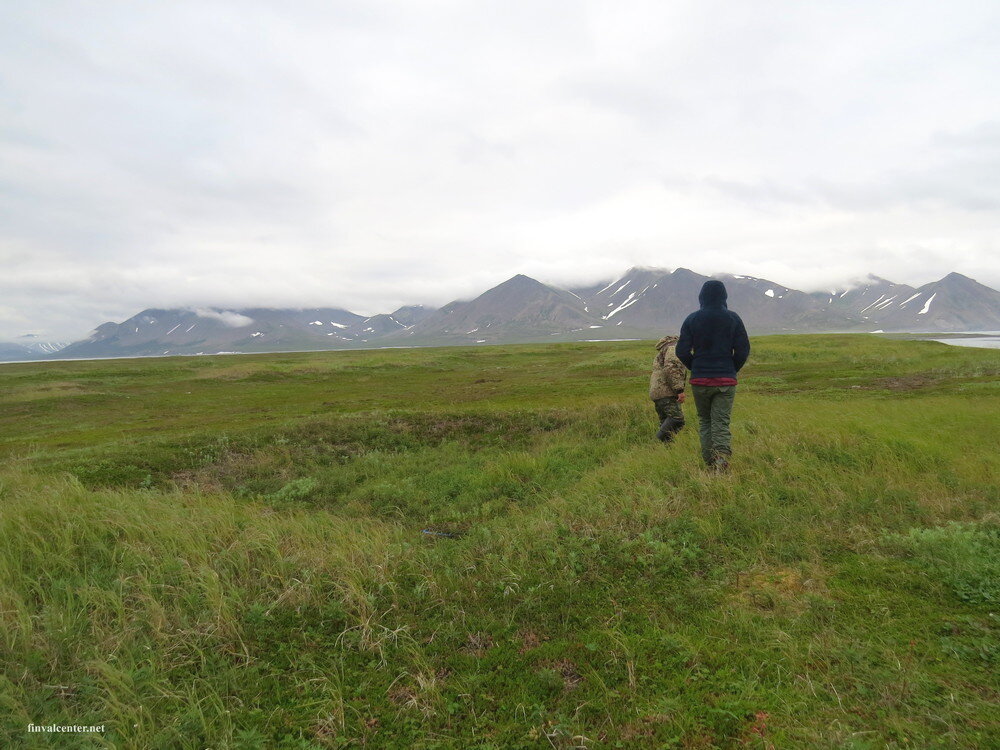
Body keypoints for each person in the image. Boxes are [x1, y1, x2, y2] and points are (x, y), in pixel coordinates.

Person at [675, 280, 751, 470]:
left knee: (705, 421)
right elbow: (743, 350)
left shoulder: (692, 319)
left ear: (701, 297)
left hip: (699, 380)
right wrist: (731, 369)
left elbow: (681, 351)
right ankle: (721, 462)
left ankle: (709, 464)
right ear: (724, 296)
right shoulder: (733, 318)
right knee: (721, 422)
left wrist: (696, 367)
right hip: (725, 380)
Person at [649, 334, 687, 442]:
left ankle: (665, 450)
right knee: (677, 419)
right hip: (667, 391)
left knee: (665, 422)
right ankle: (656, 443)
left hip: (657, 392)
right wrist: (679, 389)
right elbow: (672, 368)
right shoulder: (673, 348)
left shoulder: (662, 352)